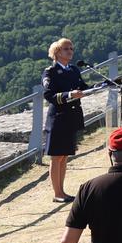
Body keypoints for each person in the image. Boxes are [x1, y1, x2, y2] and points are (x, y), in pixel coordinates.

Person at [42, 37, 90, 202]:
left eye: (71, 48)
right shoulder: (50, 72)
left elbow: (82, 87)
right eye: (66, 49)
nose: (70, 51)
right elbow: (48, 95)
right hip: (58, 118)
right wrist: (69, 95)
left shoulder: (74, 70)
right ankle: (57, 193)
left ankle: (62, 191)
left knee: (64, 156)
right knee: (56, 156)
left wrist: (102, 85)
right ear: (57, 52)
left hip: (71, 117)